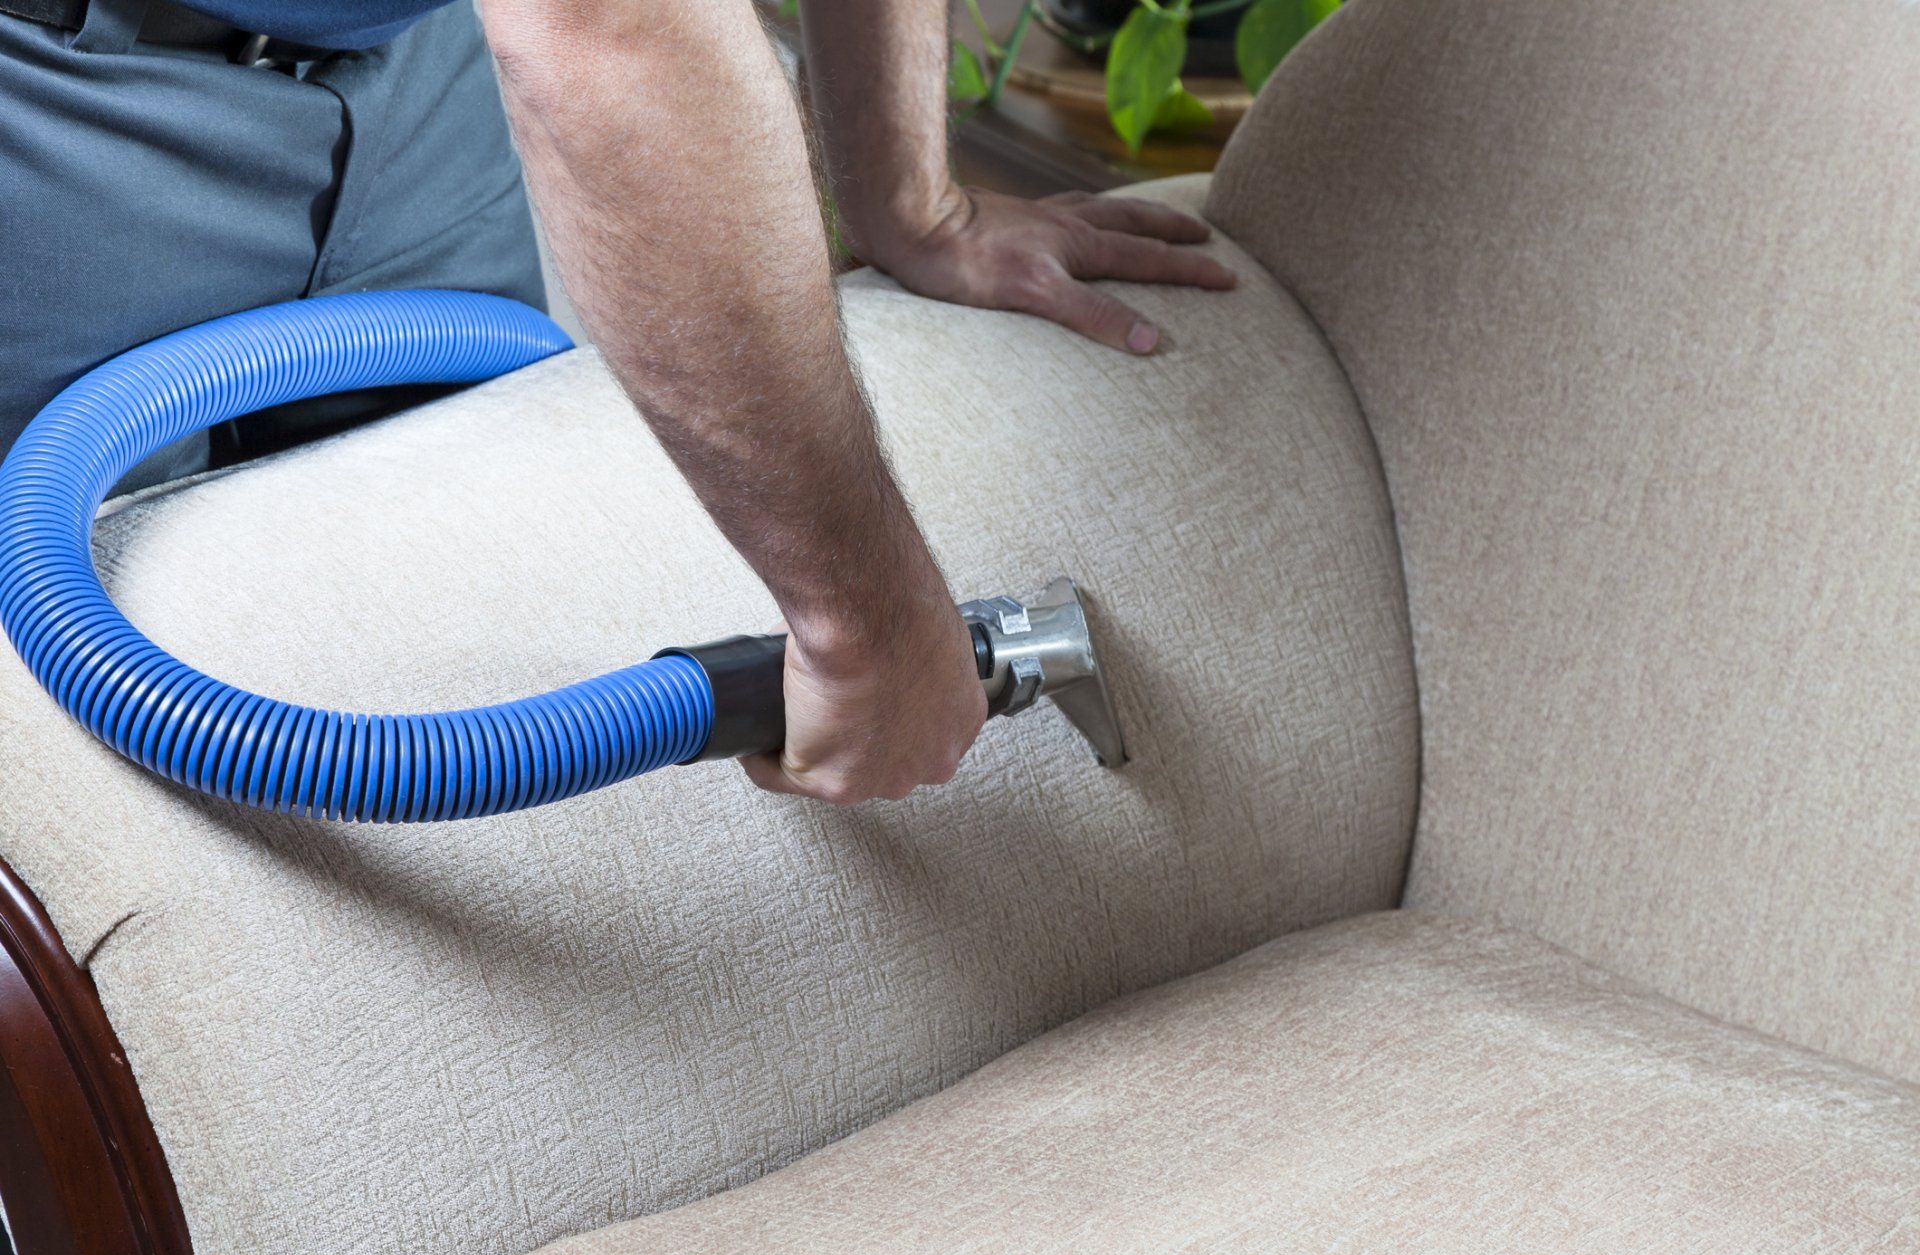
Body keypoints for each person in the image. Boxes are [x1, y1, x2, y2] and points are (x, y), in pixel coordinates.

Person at [0, 0, 1236, 804]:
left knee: (435, 631)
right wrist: (870, 625)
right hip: (40, 94)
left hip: (398, 58)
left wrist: (912, 203)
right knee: (62, 774)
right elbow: (610, 24)